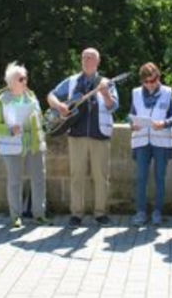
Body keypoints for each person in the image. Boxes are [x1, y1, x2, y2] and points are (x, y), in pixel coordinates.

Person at [48, 48, 119, 228]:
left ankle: (100, 214)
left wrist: (105, 94)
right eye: (84, 58)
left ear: (98, 61)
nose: (87, 60)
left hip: (100, 134)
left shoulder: (106, 82)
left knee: (101, 176)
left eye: (91, 58)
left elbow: (113, 107)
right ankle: (76, 214)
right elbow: (51, 95)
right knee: (76, 175)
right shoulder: (72, 81)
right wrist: (60, 106)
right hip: (76, 135)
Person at [0, 63, 50, 228]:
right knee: (14, 181)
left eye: (25, 78)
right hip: (12, 145)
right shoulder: (0, 101)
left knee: (39, 180)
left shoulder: (32, 97)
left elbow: (40, 119)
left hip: (35, 145)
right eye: (21, 78)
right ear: (11, 82)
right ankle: (15, 216)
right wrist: (9, 129)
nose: (25, 81)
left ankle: (39, 214)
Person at [129, 62, 172, 227]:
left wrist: (163, 123)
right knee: (141, 177)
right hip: (141, 140)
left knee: (160, 178)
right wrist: (132, 124)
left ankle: (157, 212)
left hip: (161, 141)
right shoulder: (135, 93)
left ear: (158, 77)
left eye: (153, 80)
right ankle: (140, 212)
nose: (150, 84)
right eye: (146, 81)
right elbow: (131, 115)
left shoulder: (167, 92)